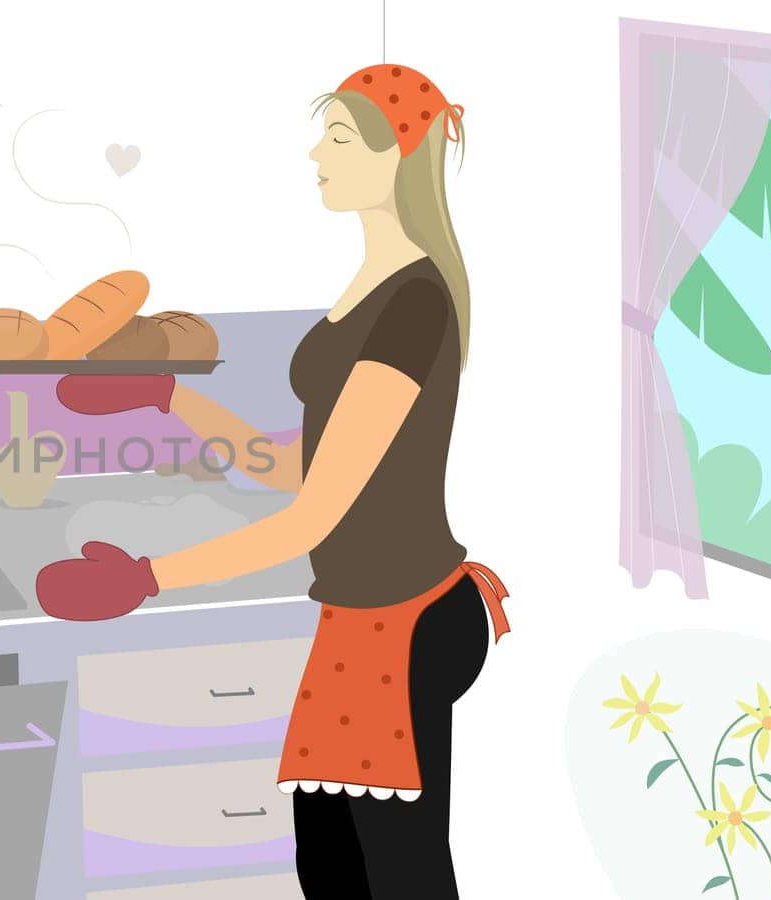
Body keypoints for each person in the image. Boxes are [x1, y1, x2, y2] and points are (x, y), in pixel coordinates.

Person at [35, 64, 511, 900]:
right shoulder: (370, 287)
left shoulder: (414, 306)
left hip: (406, 625)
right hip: (357, 622)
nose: (315, 155)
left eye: (335, 138)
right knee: (328, 867)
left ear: (395, 153)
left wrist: (148, 578)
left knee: (402, 877)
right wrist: (170, 396)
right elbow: (299, 468)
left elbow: (312, 518)